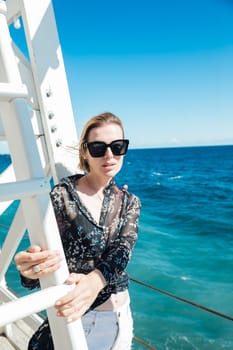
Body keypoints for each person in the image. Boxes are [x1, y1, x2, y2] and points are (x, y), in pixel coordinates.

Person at [14, 112, 141, 350]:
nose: (109, 155)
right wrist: (29, 270)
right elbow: (40, 267)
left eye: (117, 146)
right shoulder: (62, 197)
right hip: (79, 318)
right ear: (85, 151)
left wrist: (95, 282)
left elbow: (123, 249)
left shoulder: (130, 202)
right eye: (98, 147)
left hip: (121, 318)